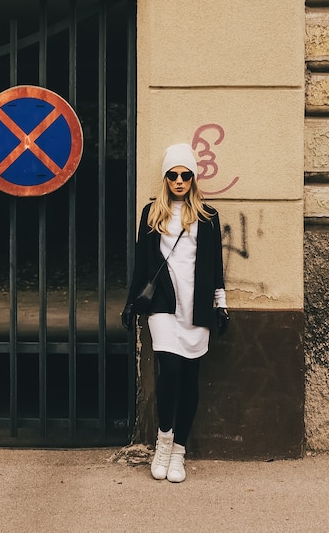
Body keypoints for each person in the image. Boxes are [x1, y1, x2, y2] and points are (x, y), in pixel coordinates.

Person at [121, 143, 229, 483]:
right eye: (173, 175)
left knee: (189, 378)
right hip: (162, 307)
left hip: (195, 308)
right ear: (165, 178)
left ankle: (180, 450)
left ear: (193, 177)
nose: (179, 180)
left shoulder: (208, 217)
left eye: (185, 175)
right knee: (169, 371)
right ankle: (163, 444)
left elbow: (214, 266)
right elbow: (141, 265)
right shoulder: (151, 213)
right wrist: (130, 303)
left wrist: (221, 303)